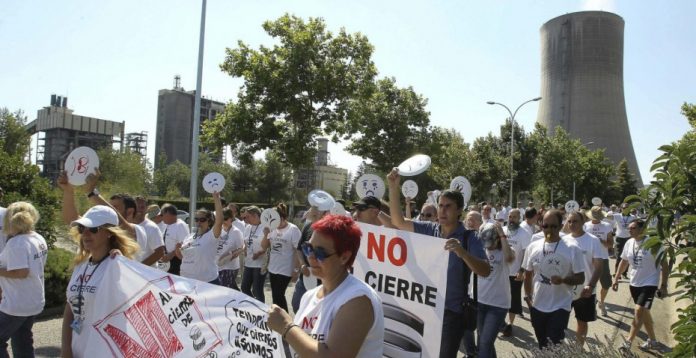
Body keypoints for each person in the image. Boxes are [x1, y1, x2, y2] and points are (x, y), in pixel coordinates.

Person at [387, 168, 490, 358]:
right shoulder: (429, 229)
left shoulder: (470, 238)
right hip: (424, 307)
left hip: (451, 315)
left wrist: (463, 253)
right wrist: (393, 187)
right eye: (440, 205)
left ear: (460, 210)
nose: (442, 210)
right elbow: (399, 222)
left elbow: (485, 271)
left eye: (448, 206)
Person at [267, 215, 384, 357]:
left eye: (320, 253)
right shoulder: (309, 296)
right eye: (308, 248)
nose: (310, 256)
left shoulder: (358, 299)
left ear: (344, 257)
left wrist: (286, 327)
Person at [61, 205, 139, 358]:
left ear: (110, 233)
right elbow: (70, 308)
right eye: (82, 228)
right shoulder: (81, 264)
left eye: (94, 229)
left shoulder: (119, 266)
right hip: (77, 350)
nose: (86, 234)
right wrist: (65, 349)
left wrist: (121, 263)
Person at [522, 209, 585, 348]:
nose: (549, 229)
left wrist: (563, 280)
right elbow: (527, 274)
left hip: (560, 306)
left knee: (554, 346)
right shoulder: (533, 247)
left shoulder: (572, 248)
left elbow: (580, 278)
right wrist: (528, 298)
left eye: (553, 226)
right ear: (541, 225)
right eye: (545, 226)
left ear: (561, 226)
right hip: (537, 305)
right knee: (542, 345)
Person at [58, 170, 149, 264]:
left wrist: (91, 192)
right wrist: (68, 190)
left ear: (130, 212)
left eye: (115, 208)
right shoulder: (90, 250)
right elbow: (71, 219)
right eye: (82, 228)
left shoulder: (139, 231)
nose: (108, 209)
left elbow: (118, 225)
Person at [0, 202, 48, 358]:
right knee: (22, 340)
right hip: (33, 300)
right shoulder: (37, 238)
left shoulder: (16, 243)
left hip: (16, 303)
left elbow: (21, 272)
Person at [613, 220, 669, 352]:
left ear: (642, 229)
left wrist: (664, 285)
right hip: (634, 283)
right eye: (629, 228)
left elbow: (664, 265)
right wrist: (616, 278)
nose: (629, 230)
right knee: (644, 313)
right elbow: (624, 261)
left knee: (638, 310)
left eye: (632, 228)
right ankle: (653, 341)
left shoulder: (654, 243)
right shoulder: (629, 242)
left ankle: (628, 342)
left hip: (650, 283)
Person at [564, 211, 607, 346]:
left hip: (585, 290)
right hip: (565, 289)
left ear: (583, 222)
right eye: (569, 221)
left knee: (582, 321)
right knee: (560, 320)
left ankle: (578, 349)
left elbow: (599, 267)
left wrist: (591, 285)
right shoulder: (563, 240)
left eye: (575, 221)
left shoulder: (592, 240)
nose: (572, 224)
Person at [475, 223, 514, 358]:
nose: (488, 245)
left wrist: (502, 235)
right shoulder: (480, 249)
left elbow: (510, 258)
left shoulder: (504, 250)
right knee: (483, 339)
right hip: (480, 301)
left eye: (491, 242)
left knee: (485, 342)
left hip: (498, 305)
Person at [261, 203, 301, 312]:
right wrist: (266, 235)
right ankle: (279, 320)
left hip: (286, 269)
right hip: (273, 268)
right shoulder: (271, 228)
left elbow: (298, 251)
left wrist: (296, 270)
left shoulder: (293, 229)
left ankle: (285, 322)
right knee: (275, 296)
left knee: (279, 295)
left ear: (282, 218)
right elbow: (264, 247)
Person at [176, 192, 223, 284]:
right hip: (187, 280)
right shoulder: (189, 236)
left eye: (202, 220)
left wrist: (216, 198)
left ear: (209, 221)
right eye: (196, 219)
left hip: (207, 281)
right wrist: (178, 251)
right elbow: (183, 256)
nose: (198, 222)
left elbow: (220, 221)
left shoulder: (211, 235)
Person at [292, 203, 331, 313]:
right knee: (296, 305)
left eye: (314, 215)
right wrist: (303, 265)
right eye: (311, 214)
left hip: (322, 278)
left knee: (317, 310)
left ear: (324, 214)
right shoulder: (307, 227)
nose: (311, 217)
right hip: (306, 275)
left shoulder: (329, 231)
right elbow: (299, 249)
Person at [500, 209, 531, 337]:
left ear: (520, 218)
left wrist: (522, 270)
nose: (512, 219)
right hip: (501, 271)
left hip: (515, 273)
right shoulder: (503, 230)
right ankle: (500, 322)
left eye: (514, 217)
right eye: (510, 216)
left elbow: (526, 253)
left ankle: (510, 324)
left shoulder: (524, 234)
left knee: (513, 299)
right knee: (500, 297)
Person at [583, 206, 615, 316]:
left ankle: (601, 302)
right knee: (590, 284)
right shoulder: (586, 226)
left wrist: (600, 241)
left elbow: (611, 244)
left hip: (603, 258)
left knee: (606, 284)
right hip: (588, 258)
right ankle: (593, 303)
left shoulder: (607, 226)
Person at [241, 206, 267, 302]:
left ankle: (261, 311)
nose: (245, 219)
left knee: (257, 290)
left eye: (247, 217)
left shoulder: (265, 227)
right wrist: (244, 248)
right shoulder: (248, 227)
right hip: (248, 262)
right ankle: (254, 306)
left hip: (260, 264)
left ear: (255, 215)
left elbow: (268, 245)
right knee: (244, 287)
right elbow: (246, 242)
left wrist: (259, 253)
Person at [216, 208, 244, 290]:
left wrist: (229, 256)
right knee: (226, 289)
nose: (223, 221)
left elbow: (241, 248)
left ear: (231, 219)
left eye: (225, 219)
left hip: (230, 267)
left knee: (225, 290)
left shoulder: (236, 232)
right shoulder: (219, 229)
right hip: (218, 265)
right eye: (221, 219)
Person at [159, 204, 190, 275]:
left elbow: (184, 245)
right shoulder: (167, 224)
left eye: (162, 214)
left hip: (177, 261)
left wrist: (171, 255)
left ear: (168, 214)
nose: (161, 217)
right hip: (168, 260)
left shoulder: (180, 225)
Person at [134, 197, 165, 267]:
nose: (139, 209)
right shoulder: (127, 224)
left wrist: (141, 267)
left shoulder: (152, 228)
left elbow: (160, 252)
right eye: (136, 207)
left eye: (142, 207)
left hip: (145, 274)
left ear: (146, 209)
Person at [613, 203, 635, 277]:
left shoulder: (633, 217)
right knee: (619, 256)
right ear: (621, 208)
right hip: (619, 238)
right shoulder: (617, 216)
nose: (625, 209)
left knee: (627, 256)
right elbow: (606, 216)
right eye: (624, 208)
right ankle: (616, 273)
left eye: (627, 208)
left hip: (629, 238)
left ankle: (624, 273)